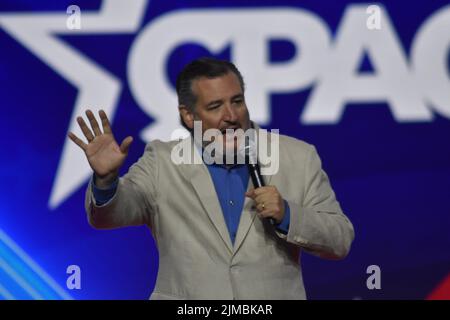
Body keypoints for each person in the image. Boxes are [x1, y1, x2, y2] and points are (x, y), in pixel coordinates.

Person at [68, 57, 354, 300]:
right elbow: (109, 216)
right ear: (189, 116)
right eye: (215, 106)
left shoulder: (297, 157)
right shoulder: (163, 161)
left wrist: (288, 214)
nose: (231, 116)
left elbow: (339, 239)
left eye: (237, 101)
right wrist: (105, 180)